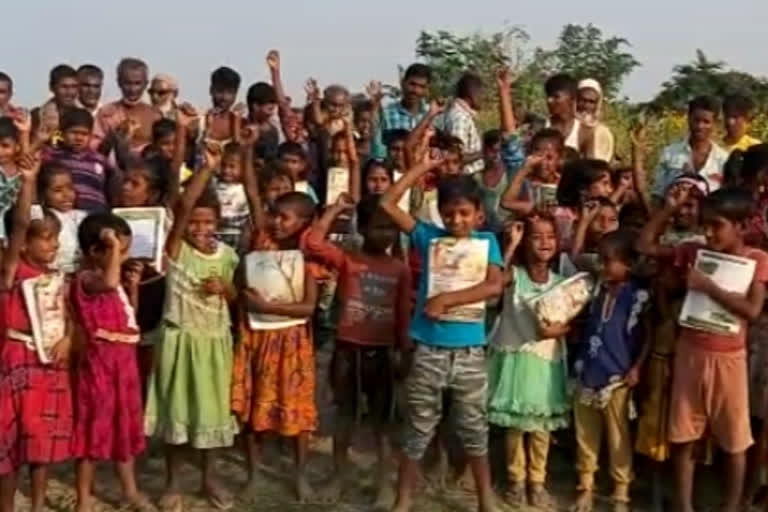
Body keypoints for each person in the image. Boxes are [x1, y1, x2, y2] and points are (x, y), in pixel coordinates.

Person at [379, 152, 504, 512]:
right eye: (449, 213)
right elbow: (388, 202)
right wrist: (425, 168)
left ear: (479, 214)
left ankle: (485, 500)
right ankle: (403, 500)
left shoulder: (486, 244)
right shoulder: (428, 238)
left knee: (474, 430)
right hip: (429, 350)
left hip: (469, 353)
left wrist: (447, 300)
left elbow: (494, 287)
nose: (456, 220)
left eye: (464, 213)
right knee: (418, 430)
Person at [638, 188, 768, 512]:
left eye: (717, 225)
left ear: (742, 225)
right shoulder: (695, 251)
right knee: (683, 435)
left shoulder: (757, 260)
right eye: (704, 224)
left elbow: (752, 311)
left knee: (735, 440)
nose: (708, 232)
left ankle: (731, 506)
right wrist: (670, 209)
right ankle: (684, 506)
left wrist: (707, 286)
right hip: (690, 353)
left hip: (730, 359)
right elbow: (644, 245)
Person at [144, 144, 239, 511]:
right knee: (177, 414)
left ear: (218, 223)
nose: (200, 229)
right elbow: (182, 208)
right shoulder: (174, 251)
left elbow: (235, 297)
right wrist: (206, 170)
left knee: (211, 413)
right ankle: (172, 483)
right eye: (195, 223)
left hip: (214, 343)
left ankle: (210, 478)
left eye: (208, 222)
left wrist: (224, 288)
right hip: (178, 341)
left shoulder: (228, 256)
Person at [231, 136, 322, 503]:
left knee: (298, 413)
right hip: (256, 337)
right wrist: (248, 146)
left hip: (292, 341)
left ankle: (299, 475)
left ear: (304, 223)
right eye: (275, 214)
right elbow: (253, 195)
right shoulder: (261, 238)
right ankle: (253, 474)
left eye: (285, 217)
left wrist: (268, 307)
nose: (276, 221)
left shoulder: (308, 257)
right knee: (253, 412)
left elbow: (308, 309)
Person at [305, 194, 411, 507]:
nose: (385, 235)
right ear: (362, 228)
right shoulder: (348, 258)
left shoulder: (399, 269)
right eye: (378, 228)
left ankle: (383, 485)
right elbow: (313, 242)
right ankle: (338, 477)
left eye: (391, 229)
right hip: (348, 351)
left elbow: (403, 314)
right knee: (345, 417)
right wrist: (336, 210)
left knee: (382, 423)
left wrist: (404, 351)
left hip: (382, 354)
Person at [0, 154, 73, 512]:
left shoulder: (58, 276)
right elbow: (17, 225)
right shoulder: (13, 272)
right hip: (17, 360)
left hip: (49, 365)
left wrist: (69, 339)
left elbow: (69, 317)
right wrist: (29, 182)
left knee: (40, 441)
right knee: (11, 441)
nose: (53, 246)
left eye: (55, 240)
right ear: (26, 246)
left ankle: (39, 503)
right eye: (44, 240)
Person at [488, 213, 570, 509]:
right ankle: (516, 480)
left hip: (545, 362)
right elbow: (493, 284)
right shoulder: (515, 276)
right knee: (516, 427)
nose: (544, 242)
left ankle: (537, 480)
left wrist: (559, 330)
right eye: (536, 237)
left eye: (550, 236)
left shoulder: (562, 282)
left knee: (541, 427)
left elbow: (568, 319)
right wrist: (511, 246)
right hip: (515, 359)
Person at [71, 212, 149, 512]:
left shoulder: (112, 283)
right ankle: (83, 499)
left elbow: (128, 317)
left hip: (124, 365)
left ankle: (129, 491)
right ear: (95, 252)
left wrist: (132, 290)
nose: (123, 255)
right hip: (101, 365)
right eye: (119, 249)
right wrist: (113, 248)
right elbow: (107, 283)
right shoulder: (88, 278)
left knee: (124, 427)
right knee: (93, 428)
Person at [571, 230, 650, 512]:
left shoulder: (638, 295)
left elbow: (647, 335)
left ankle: (620, 492)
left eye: (607, 261)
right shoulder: (595, 288)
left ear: (627, 263)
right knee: (585, 433)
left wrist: (637, 367)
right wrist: (587, 222)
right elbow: (576, 258)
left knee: (619, 437)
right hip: (588, 370)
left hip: (617, 377)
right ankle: (585, 487)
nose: (601, 266)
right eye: (600, 260)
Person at [651, 95, 729, 201]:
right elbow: (657, 194)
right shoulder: (669, 154)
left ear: (714, 123)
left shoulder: (723, 159)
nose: (700, 126)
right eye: (696, 120)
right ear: (688, 119)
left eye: (706, 122)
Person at [42, 108, 119, 212]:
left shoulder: (100, 159)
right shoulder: (52, 155)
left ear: (91, 135)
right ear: (62, 134)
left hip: (96, 213)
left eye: (84, 134)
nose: (79, 138)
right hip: (64, 212)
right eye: (74, 133)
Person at [94, 58, 161, 154]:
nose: (132, 89)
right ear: (119, 82)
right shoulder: (106, 113)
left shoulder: (155, 115)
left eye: (137, 83)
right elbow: (95, 149)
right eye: (128, 83)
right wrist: (116, 134)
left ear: (146, 84)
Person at [371, 63, 432, 160]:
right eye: (412, 84)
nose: (416, 90)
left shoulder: (433, 115)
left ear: (427, 89)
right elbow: (379, 151)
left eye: (421, 86)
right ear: (403, 83)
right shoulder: (387, 114)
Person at [36, 164, 87, 273]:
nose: (67, 194)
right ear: (42, 194)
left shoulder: (82, 216)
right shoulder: (40, 218)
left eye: (70, 188)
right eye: (57, 190)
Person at [438, 72, 484, 173]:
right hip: (465, 178)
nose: (482, 98)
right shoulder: (460, 118)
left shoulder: (461, 115)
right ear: (472, 93)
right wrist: (485, 152)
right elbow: (457, 157)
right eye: (481, 93)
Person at [545, 73, 592, 157]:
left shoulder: (584, 133)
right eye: (548, 96)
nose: (549, 100)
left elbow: (589, 167)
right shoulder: (541, 127)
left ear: (572, 98)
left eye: (556, 97)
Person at [214, 142, 250, 252]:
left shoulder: (245, 188)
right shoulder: (214, 185)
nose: (226, 170)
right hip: (216, 235)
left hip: (238, 235)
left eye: (232, 166)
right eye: (223, 165)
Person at [31, 65, 79, 141]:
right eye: (64, 87)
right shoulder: (37, 115)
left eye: (74, 87)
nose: (70, 92)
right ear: (51, 87)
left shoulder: (82, 116)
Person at [577, 79, 615, 162]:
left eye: (591, 102)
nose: (586, 106)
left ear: (597, 105)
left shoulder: (603, 133)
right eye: (582, 100)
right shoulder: (565, 126)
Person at [203, 66, 242, 144]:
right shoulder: (200, 123)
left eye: (230, 92)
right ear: (211, 90)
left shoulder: (243, 124)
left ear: (236, 94)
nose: (224, 98)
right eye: (220, 91)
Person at [0, 118, 23, 244]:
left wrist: (25, 133)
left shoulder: (21, 173)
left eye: (5, 145)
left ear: (17, 147)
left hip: (13, 231)